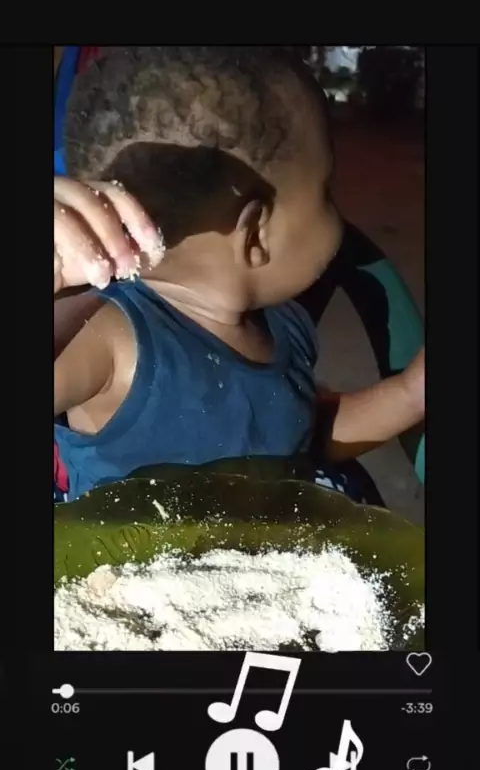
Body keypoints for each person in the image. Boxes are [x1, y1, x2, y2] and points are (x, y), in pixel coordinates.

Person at [54, 46, 424, 503]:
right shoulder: (108, 339)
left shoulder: (283, 325)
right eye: (325, 191)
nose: (340, 214)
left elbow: (299, 439)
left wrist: (410, 393)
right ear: (256, 234)